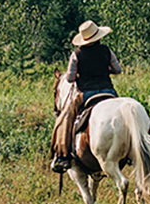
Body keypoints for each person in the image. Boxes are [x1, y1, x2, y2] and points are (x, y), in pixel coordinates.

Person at [50, 21, 123, 173]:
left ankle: (62, 155)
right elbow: (117, 69)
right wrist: (105, 70)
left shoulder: (76, 55)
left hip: (86, 94)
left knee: (66, 118)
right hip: (109, 92)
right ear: (98, 36)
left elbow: (69, 78)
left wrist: (80, 74)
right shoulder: (106, 51)